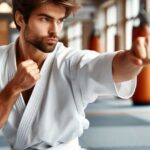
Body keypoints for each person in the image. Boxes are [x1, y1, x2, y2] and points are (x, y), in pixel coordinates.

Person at [0, 0, 150, 149]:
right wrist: (13, 88)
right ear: (20, 19)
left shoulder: (71, 61)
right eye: (45, 19)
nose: (55, 30)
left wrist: (133, 58)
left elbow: (111, 67)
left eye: (60, 21)